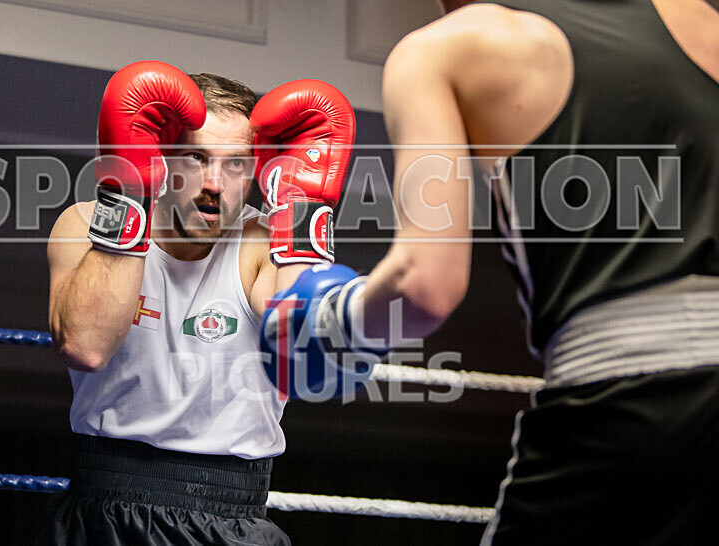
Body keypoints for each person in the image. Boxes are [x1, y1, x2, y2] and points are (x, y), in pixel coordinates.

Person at [260, 0, 719, 544]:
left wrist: (333, 320)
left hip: (631, 409)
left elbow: (425, 285)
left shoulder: (447, 48)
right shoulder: (701, 19)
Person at [37, 61, 354, 545]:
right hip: (100, 510)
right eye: (196, 157)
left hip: (234, 518)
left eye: (235, 163)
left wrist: (304, 211)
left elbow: (305, 355)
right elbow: (86, 345)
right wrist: (129, 192)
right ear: (159, 157)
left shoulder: (263, 245)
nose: (214, 182)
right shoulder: (84, 224)